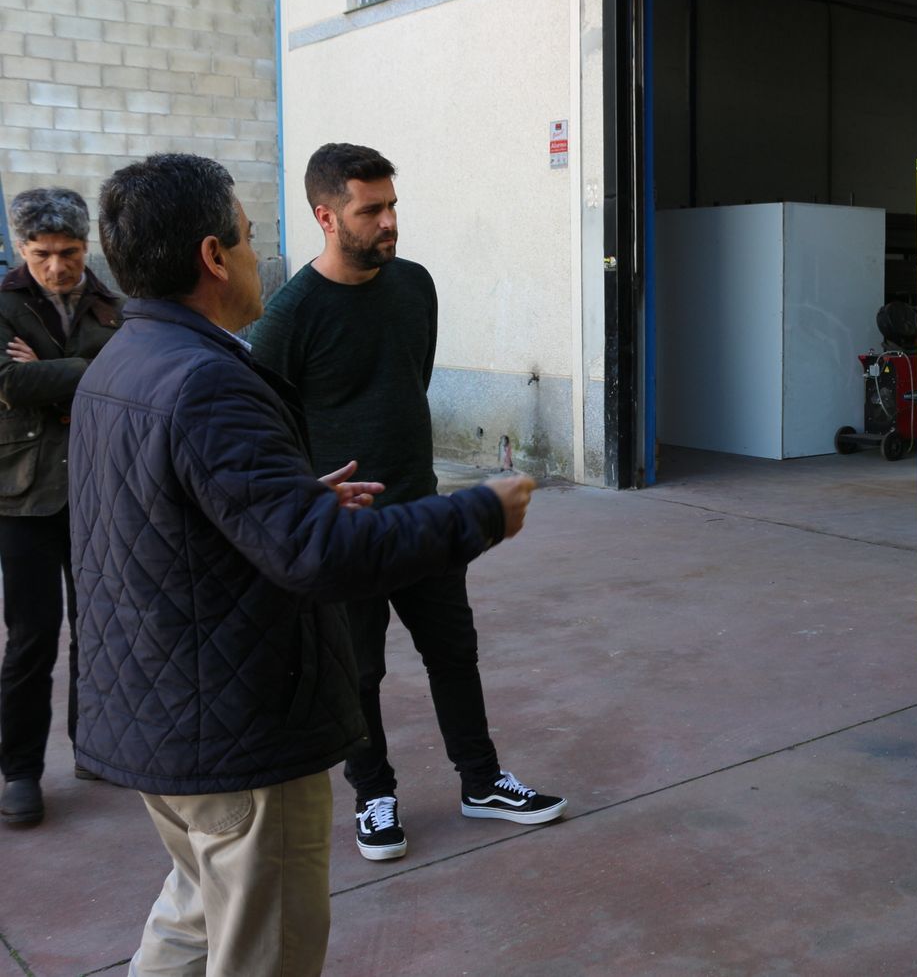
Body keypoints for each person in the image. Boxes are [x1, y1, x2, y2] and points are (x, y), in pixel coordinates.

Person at [70, 153, 536, 975]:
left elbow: (175, 513)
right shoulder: (212, 379)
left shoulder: (121, 365)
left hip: (165, 721)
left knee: (192, 921)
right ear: (214, 257)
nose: (259, 254)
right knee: (264, 951)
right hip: (235, 730)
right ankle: (378, 791)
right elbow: (321, 556)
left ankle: (482, 774)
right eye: (249, 239)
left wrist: (284, 495)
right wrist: (479, 511)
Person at [252, 143, 564, 862]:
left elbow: (408, 380)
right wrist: (310, 498)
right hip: (346, 530)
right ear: (327, 216)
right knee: (358, 670)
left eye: (393, 205)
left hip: (422, 516)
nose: (390, 222)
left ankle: (481, 781)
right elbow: (262, 421)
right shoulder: (290, 315)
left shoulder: (414, 285)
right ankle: (374, 794)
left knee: (454, 651)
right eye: (372, 209)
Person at [0, 187, 122, 826]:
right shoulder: (3, 303)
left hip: (96, 492)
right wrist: (81, 372)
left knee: (100, 629)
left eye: (69, 251)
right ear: (22, 249)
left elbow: (126, 378)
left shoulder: (111, 304)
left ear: (86, 246)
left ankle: (94, 748)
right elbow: (6, 383)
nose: (57, 266)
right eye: (43, 253)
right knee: (31, 638)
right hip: (21, 498)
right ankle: (19, 771)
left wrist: (47, 366)